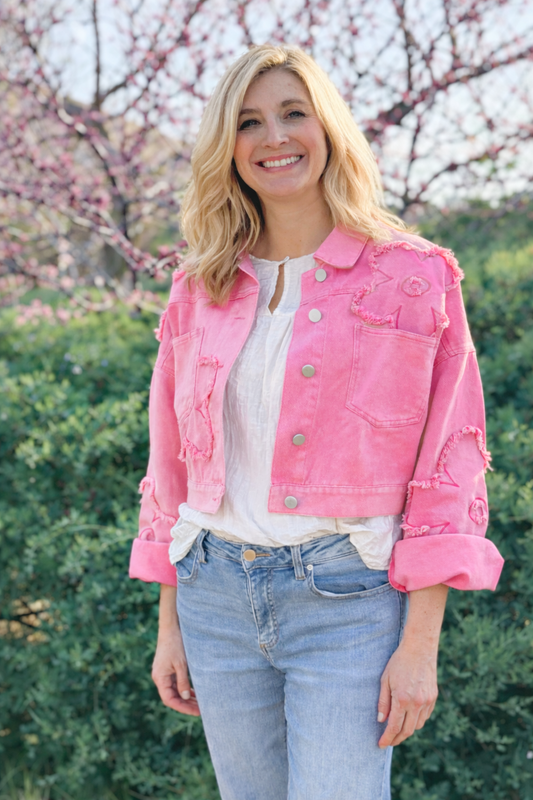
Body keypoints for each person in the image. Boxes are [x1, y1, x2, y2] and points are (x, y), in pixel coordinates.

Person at [129, 44, 504, 800]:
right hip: (213, 597)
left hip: (348, 602)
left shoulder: (414, 275)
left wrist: (419, 645)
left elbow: (449, 463)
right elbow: (170, 467)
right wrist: (170, 623)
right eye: (248, 122)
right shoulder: (198, 286)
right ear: (227, 146)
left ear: (327, 126)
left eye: (292, 113)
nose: (274, 137)